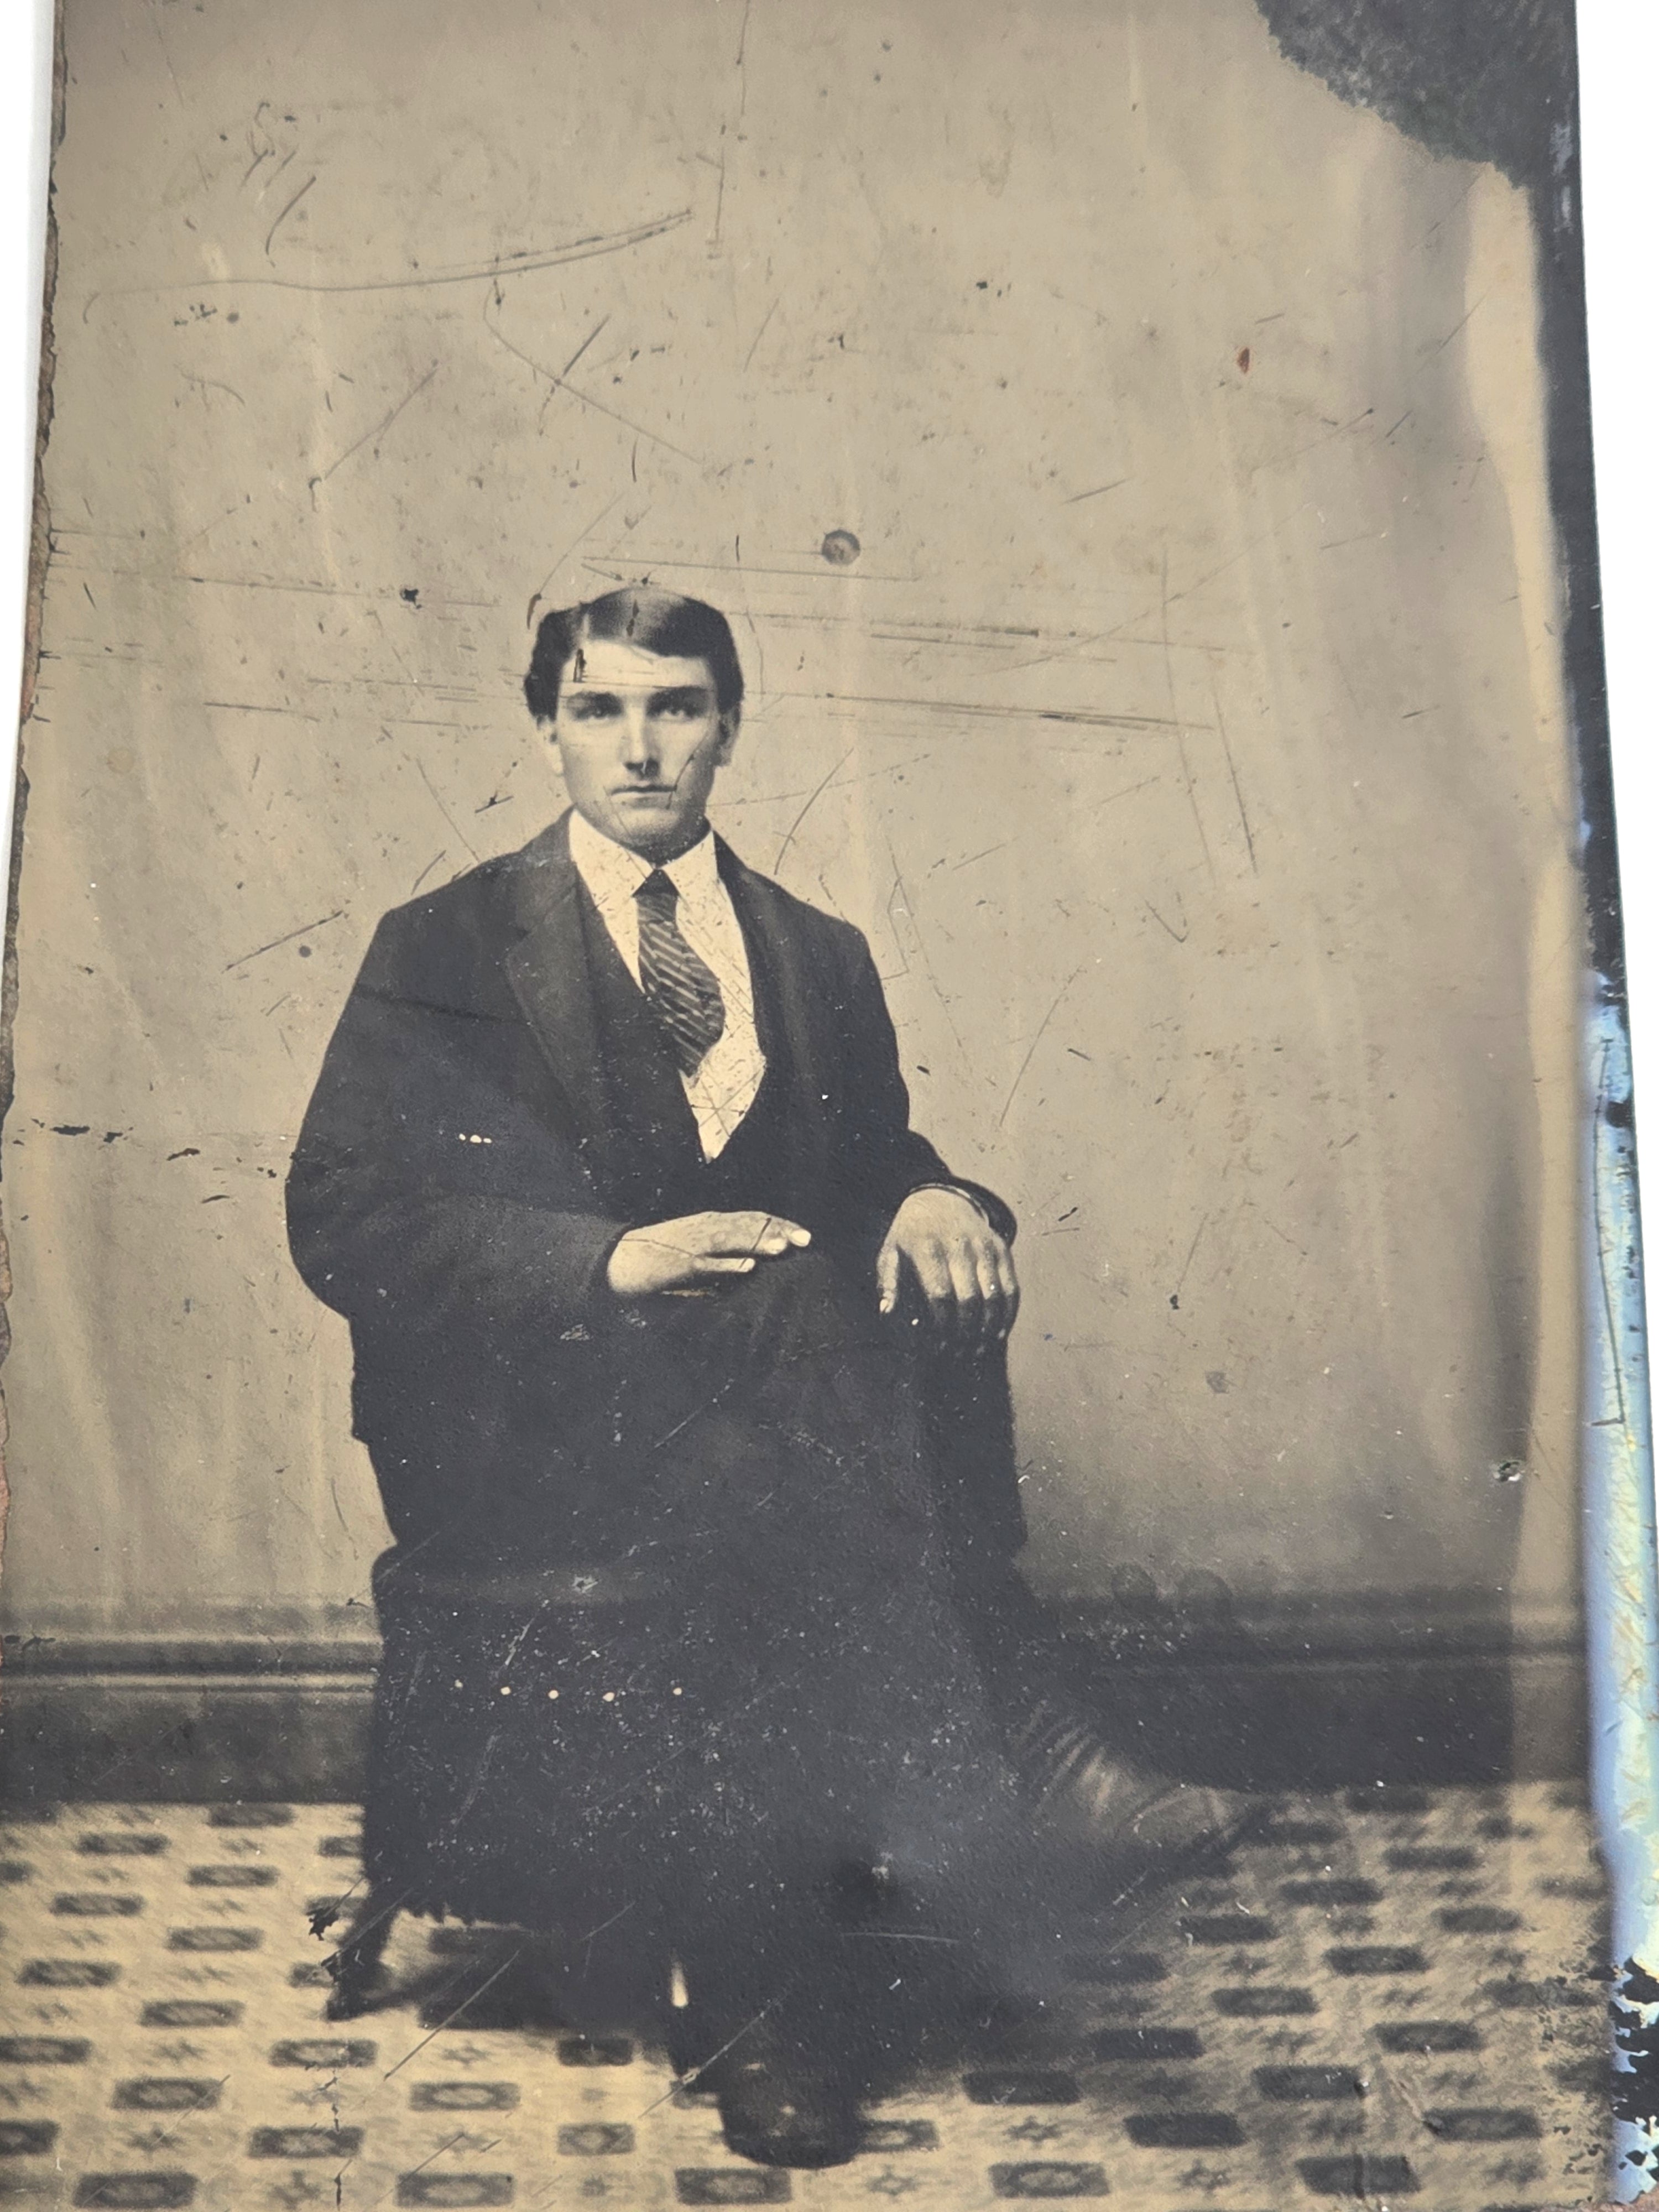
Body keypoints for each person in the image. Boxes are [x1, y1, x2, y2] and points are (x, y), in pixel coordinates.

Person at [286, 585, 1069, 2168]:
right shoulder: (442, 946)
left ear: (728, 723)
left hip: (756, 1449)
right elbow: (343, 1216)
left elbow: (869, 1170)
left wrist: (926, 1197)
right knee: (784, 1394)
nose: (641, 747)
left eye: (677, 706)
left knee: (768, 1452)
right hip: (524, 1433)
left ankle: (752, 1988)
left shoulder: (819, 952)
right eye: (600, 708)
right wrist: (605, 1262)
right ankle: (1013, 1741)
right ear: (550, 726)